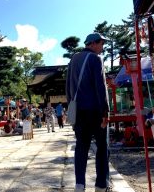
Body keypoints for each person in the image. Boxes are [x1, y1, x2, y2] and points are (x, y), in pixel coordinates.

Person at [66, 33, 110, 192]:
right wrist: (105, 112)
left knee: (81, 147)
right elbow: (101, 87)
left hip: (78, 111)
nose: (102, 47)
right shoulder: (95, 59)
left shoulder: (74, 59)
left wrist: (71, 107)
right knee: (102, 147)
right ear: (93, 43)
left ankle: (79, 184)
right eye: (101, 44)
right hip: (94, 111)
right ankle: (100, 185)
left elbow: (68, 87)